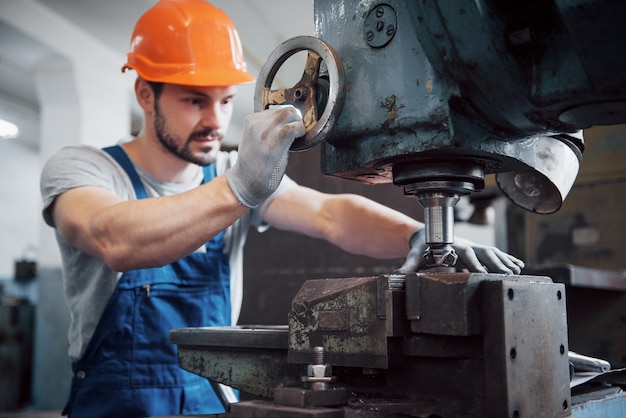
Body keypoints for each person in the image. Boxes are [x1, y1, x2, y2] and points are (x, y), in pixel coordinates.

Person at [39, 0, 524, 416]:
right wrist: (241, 187)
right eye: (194, 101)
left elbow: (331, 216)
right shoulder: (83, 170)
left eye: (226, 101)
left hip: (213, 400)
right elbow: (114, 238)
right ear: (146, 94)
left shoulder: (228, 174)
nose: (215, 121)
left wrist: (418, 235)